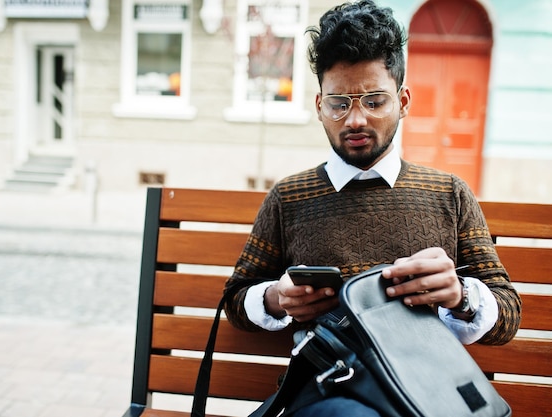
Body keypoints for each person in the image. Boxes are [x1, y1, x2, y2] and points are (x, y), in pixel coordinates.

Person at [223, 1, 522, 415]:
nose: (355, 120)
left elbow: (507, 313)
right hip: (326, 391)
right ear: (319, 107)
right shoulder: (289, 198)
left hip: (422, 395)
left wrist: (461, 296)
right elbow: (236, 298)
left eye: (374, 101)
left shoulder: (448, 194)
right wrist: (276, 298)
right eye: (339, 102)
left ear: (403, 101)